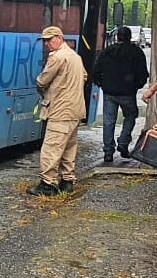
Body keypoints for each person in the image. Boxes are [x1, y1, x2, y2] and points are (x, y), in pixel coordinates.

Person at [27, 26, 88, 196]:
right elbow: (84, 76)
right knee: (69, 147)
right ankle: (67, 181)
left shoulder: (57, 57)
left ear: (59, 38)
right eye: (44, 40)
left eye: (49, 39)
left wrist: (47, 87)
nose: (46, 44)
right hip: (75, 110)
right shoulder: (75, 56)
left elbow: (43, 80)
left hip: (60, 110)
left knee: (51, 148)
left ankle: (48, 184)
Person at [91, 27, 148, 163]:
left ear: (117, 37)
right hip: (128, 93)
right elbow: (143, 74)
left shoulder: (107, 52)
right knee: (130, 116)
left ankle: (108, 152)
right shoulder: (136, 52)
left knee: (108, 122)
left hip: (109, 93)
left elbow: (96, 71)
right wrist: (135, 86)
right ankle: (123, 142)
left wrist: (103, 85)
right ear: (129, 37)